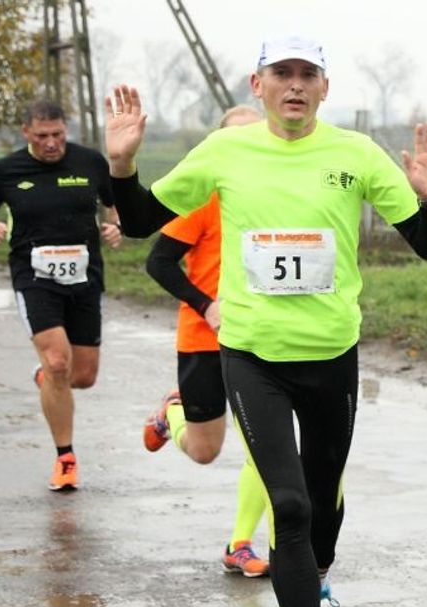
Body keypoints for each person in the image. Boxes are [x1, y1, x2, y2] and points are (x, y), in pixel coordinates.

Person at [103, 35, 427, 607]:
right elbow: (143, 222)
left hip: (331, 357)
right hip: (251, 356)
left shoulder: (355, 155)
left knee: (322, 504)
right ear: (256, 84)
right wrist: (121, 163)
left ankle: (318, 579)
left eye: (307, 74)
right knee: (288, 507)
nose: (294, 85)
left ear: (325, 87)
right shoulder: (225, 151)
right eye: (281, 73)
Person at [140, 104, 270, 578]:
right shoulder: (203, 198)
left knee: (266, 444)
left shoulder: (276, 196)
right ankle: (169, 413)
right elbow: (158, 262)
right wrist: (206, 305)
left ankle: (239, 543)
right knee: (204, 451)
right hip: (203, 337)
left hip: (259, 339)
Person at [0, 100, 122, 491]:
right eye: (42, 136)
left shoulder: (90, 162)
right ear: (26, 133)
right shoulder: (7, 170)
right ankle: (65, 457)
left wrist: (115, 226)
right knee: (57, 361)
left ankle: (48, 378)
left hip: (85, 277)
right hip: (35, 277)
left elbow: (114, 205)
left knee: (82, 375)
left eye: (57, 135)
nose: (51, 143)